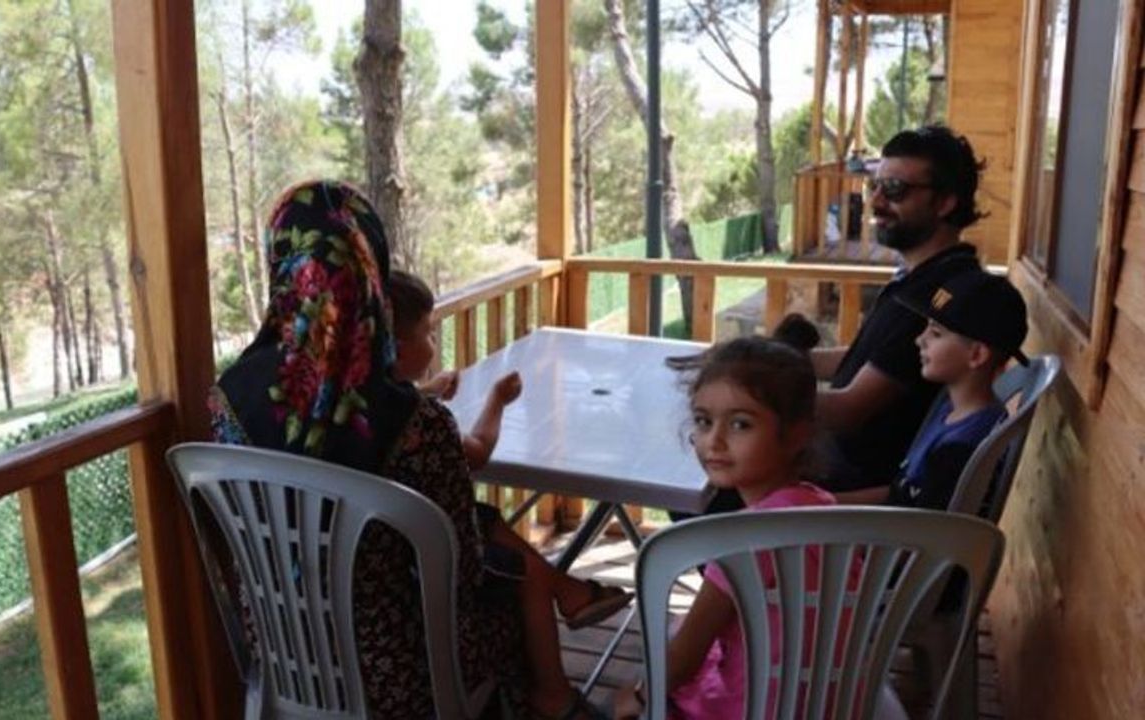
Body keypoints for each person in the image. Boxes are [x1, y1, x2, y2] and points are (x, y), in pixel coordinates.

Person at [208, 180, 622, 719]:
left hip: (281, 654)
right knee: (513, 578)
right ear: (370, 273)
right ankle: (552, 698)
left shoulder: (226, 397)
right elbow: (462, 568)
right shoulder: (414, 422)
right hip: (404, 675)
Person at [614, 336, 839, 720]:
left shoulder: (743, 541)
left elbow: (683, 659)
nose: (714, 441)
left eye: (740, 424)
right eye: (704, 421)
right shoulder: (822, 506)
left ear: (797, 435)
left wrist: (637, 696)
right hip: (830, 703)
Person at [813, 125, 988, 497]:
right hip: (831, 465)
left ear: (945, 202)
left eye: (894, 190)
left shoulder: (941, 298)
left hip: (848, 490)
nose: (875, 201)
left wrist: (748, 396)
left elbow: (849, 410)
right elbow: (872, 359)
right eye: (873, 186)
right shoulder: (920, 278)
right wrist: (774, 361)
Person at [836, 269, 1029, 511]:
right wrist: (826, 502)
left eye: (936, 333)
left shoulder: (961, 448)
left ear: (977, 355)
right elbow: (900, 492)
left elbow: (921, 525)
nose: (920, 340)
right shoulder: (951, 410)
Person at [389, 269, 525, 470]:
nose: (434, 337)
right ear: (397, 351)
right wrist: (498, 399)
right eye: (428, 331)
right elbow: (478, 453)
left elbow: (393, 399)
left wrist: (428, 390)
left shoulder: (355, 405)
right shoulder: (427, 418)